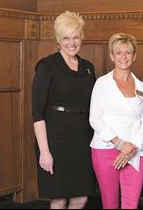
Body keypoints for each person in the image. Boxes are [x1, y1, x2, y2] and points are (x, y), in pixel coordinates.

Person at [32, 11, 96, 209]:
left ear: (82, 38)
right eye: (66, 37)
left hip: (83, 139)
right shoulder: (47, 66)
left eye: (76, 36)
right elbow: (37, 113)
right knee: (59, 199)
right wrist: (44, 152)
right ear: (58, 40)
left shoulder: (88, 68)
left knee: (81, 198)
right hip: (56, 141)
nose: (72, 42)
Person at [89, 33, 143, 209]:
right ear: (112, 56)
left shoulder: (141, 86)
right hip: (106, 149)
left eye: (128, 52)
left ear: (134, 56)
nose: (123, 57)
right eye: (119, 53)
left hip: (134, 152)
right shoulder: (102, 84)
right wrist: (120, 145)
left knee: (131, 204)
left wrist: (132, 147)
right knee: (110, 203)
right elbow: (95, 119)